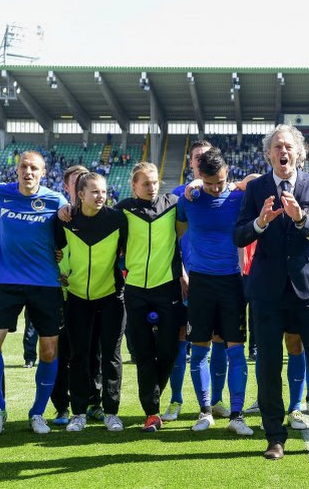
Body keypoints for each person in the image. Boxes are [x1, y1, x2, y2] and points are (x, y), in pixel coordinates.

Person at [234, 124, 309, 459]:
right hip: (267, 291)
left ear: (299, 153)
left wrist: (302, 221)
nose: (283, 151)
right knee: (269, 363)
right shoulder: (256, 189)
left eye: (288, 146)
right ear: (269, 153)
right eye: (277, 146)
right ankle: (274, 437)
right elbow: (239, 236)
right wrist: (260, 222)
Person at [0, 151, 68, 437]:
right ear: (16, 170)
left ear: (43, 172)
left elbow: (73, 226)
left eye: (33, 168)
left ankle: (38, 412)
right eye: (23, 167)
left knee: (49, 350)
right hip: (7, 283)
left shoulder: (56, 201)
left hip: (46, 284)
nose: (28, 172)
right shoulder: (0, 194)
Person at [177, 148, 252, 436]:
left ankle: (237, 414)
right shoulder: (189, 198)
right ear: (200, 177)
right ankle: (205, 411)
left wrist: (236, 184)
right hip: (200, 283)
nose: (215, 188)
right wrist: (190, 186)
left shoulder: (237, 196)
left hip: (232, 282)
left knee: (236, 350)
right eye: (209, 183)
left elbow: (258, 180)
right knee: (199, 351)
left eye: (220, 182)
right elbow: (170, 204)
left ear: (226, 175)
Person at [163, 140, 232, 423]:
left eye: (206, 156)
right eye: (196, 157)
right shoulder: (179, 196)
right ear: (191, 163)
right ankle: (176, 399)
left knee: (219, 338)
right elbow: (171, 241)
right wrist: (180, 272)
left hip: (215, 278)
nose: (201, 160)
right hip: (185, 278)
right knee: (182, 338)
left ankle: (215, 400)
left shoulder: (225, 190)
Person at [115, 162, 184, 432]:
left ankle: (153, 398)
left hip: (167, 288)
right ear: (134, 185)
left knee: (168, 351)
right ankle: (152, 412)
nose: (152, 187)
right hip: (134, 291)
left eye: (155, 182)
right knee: (143, 352)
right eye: (146, 183)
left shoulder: (173, 204)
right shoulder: (122, 210)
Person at [57, 172, 127, 432]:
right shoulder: (65, 218)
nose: (101, 196)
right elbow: (56, 250)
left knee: (111, 356)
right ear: (81, 194)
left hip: (111, 297)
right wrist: (63, 271)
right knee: (79, 356)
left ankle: (111, 412)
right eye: (94, 191)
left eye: (104, 191)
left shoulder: (117, 219)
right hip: (76, 298)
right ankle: (78, 413)